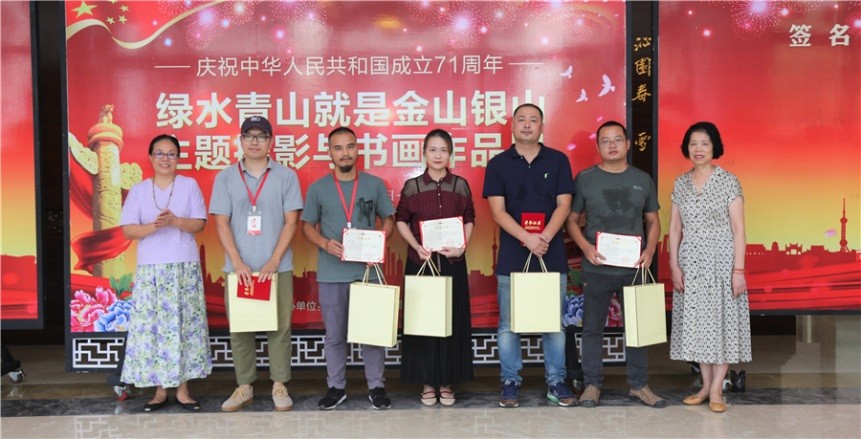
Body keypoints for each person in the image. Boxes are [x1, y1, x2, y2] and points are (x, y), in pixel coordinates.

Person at [482, 104, 577, 408]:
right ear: (512, 126)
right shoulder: (498, 164)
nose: (527, 125)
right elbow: (498, 211)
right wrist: (527, 238)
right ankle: (510, 381)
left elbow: (564, 204)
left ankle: (557, 381)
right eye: (521, 120)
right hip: (512, 257)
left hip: (551, 255)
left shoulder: (558, 160)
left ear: (542, 126)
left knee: (554, 323)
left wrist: (544, 237)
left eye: (533, 120)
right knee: (509, 325)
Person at [566, 120, 666, 408]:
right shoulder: (585, 179)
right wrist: (585, 247)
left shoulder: (642, 179)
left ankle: (639, 385)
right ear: (598, 147)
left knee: (637, 327)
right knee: (592, 328)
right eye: (605, 140)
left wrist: (650, 250)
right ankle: (592, 384)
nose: (612, 145)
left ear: (627, 144)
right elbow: (571, 220)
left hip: (634, 266)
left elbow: (653, 220)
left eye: (617, 139)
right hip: (597, 266)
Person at [210, 116, 304, 412]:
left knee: (280, 327)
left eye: (261, 136)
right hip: (238, 270)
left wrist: (274, 260)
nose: (254, 141)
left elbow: (292, 222)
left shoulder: (286, 176)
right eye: (248, 136)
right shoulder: (225, 177)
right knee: (240, 329)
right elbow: (221, 222)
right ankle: (244, 386)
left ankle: (279, 384)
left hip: (277, 267)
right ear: (240, 140)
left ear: (270, 142)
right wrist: (237, 261)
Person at [301, 126, 396, 410]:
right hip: (332, 273)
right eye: (338, 148)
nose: (345, 153)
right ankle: (336, 387)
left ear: (357, 150)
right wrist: (324, 243)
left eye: (350, 146)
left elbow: (389, 219)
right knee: (334, 336)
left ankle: (376, 386)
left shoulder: (374, 184)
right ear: (330, 153)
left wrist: (380, 241)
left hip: (368, 272)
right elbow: (306, 226)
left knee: (372, 334)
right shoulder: (318, 188)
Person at [119, 134, 211, 412]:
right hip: (151, 270)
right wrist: (155, 226)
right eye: (159, 153)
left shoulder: (189, 185)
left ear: (178, 158)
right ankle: (159, 391)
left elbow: (199, 224)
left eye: (171, 154)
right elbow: (128, 229)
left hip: (184, 268)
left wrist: (175, 221)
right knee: (154, 329)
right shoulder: (138, 190)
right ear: (150, 157)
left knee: (183, 327)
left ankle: (183, 390)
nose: (165, 159)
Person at [668, 121, 751, 413]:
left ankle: (717, 390)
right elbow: (674, 228)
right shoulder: (680, 183)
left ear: (714, 147)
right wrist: (674, 265)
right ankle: (705, 386)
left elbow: (739, 229)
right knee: (698, 324)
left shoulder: (728, 181)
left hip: (722, 262)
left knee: (722, 322)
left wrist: (738, 271)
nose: (698, 149)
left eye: (704, 143)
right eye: (693, 143)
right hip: (691, 262)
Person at [396, 129, 475, 407]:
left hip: (452, 263)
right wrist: (416, 245)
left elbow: (469, 219)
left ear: (450, 154)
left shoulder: (460, 185)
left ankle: (447, 383)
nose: (438, 155)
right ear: (424, 153)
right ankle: (427, 382)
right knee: (423, 324)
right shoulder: (413, 186)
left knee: (451, 322)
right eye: (432, 150)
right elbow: (400, 220)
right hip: (422, 263)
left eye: (443, 150)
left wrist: (462, 247)